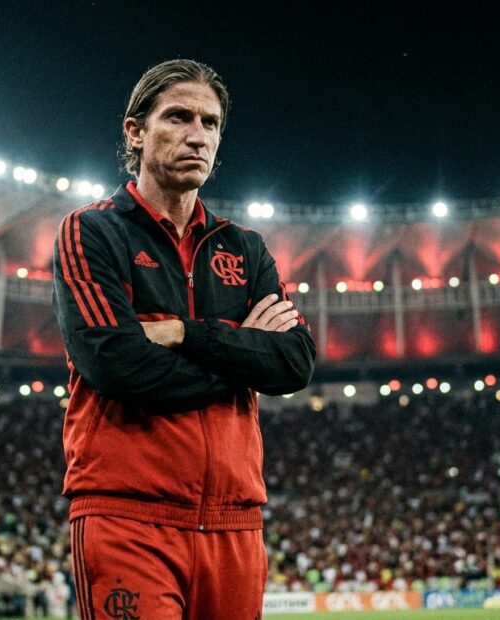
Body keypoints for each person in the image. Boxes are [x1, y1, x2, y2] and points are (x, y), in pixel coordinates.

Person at [52, 58, 315, 619]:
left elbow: (294, 362)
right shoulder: (92, 231)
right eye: (178, 117)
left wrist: (181, 334)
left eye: (211, 122)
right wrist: (242, 350)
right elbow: (117, 365)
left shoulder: (244, 247)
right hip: (127, 516)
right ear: (136, 131)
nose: (198, 135)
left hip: (234, 523)